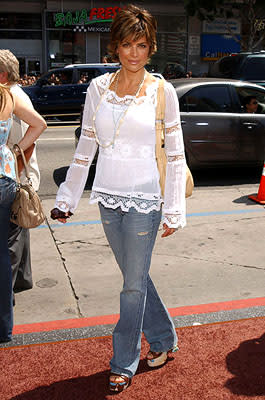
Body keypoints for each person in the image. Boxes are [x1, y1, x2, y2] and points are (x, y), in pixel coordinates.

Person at [51, 4, 186, 392]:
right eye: (126, 44)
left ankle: (123, 361)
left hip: (146, 198)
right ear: (115, 47)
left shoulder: (163, 91)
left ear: (151, 48)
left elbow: (175, 155)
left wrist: (173, 210)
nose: (133, 52)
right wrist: (67, 197)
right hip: (108, 196)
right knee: (136, 277)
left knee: (131, 287)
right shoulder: (98, 89)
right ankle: (163, 338)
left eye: (141, 45)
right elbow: (87, 145)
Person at [0, 82, 46, 343]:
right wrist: (15, 149)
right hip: (6, 179)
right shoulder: (6, 96)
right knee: (2, 254)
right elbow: (39, 124)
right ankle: (4, 327)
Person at [0, 49, 41, 301]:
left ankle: (8, 291)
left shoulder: (11, 95)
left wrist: (14, 153)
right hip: (18, 174)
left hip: (16, 174)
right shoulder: (15, 93)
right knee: (18, 230)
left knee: (11, 239)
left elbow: (30, 140)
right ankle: (22, 280)